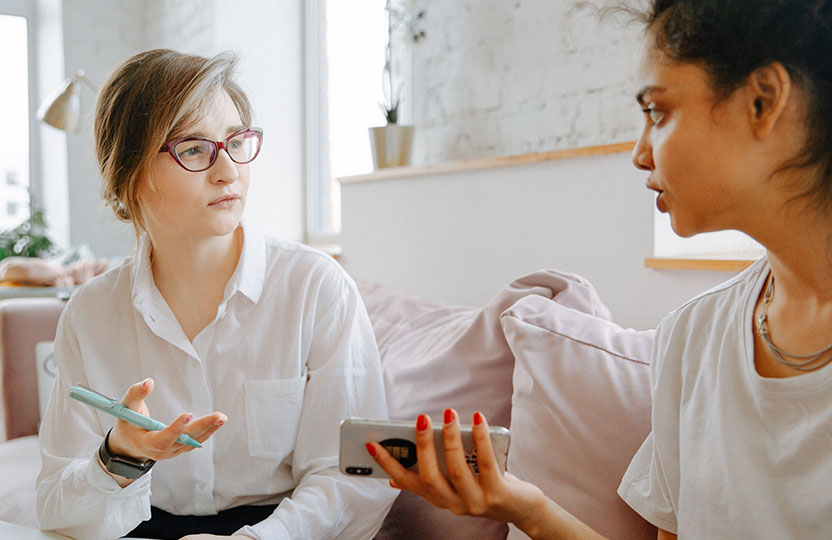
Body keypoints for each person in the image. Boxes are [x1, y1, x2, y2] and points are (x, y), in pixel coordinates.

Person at [366, 1, 832, 538]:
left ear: (762, 101)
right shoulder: (693, 338)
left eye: (657, 112)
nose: (639, 153)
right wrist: (525, 508)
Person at [36, 49, 396, 540]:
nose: (228, 170)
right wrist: (119, 456)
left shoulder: (316, 287)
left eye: (236, 141)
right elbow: (58, 507)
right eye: (193, 149)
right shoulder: (91, 313)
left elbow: (355, 477)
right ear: (129, 175)